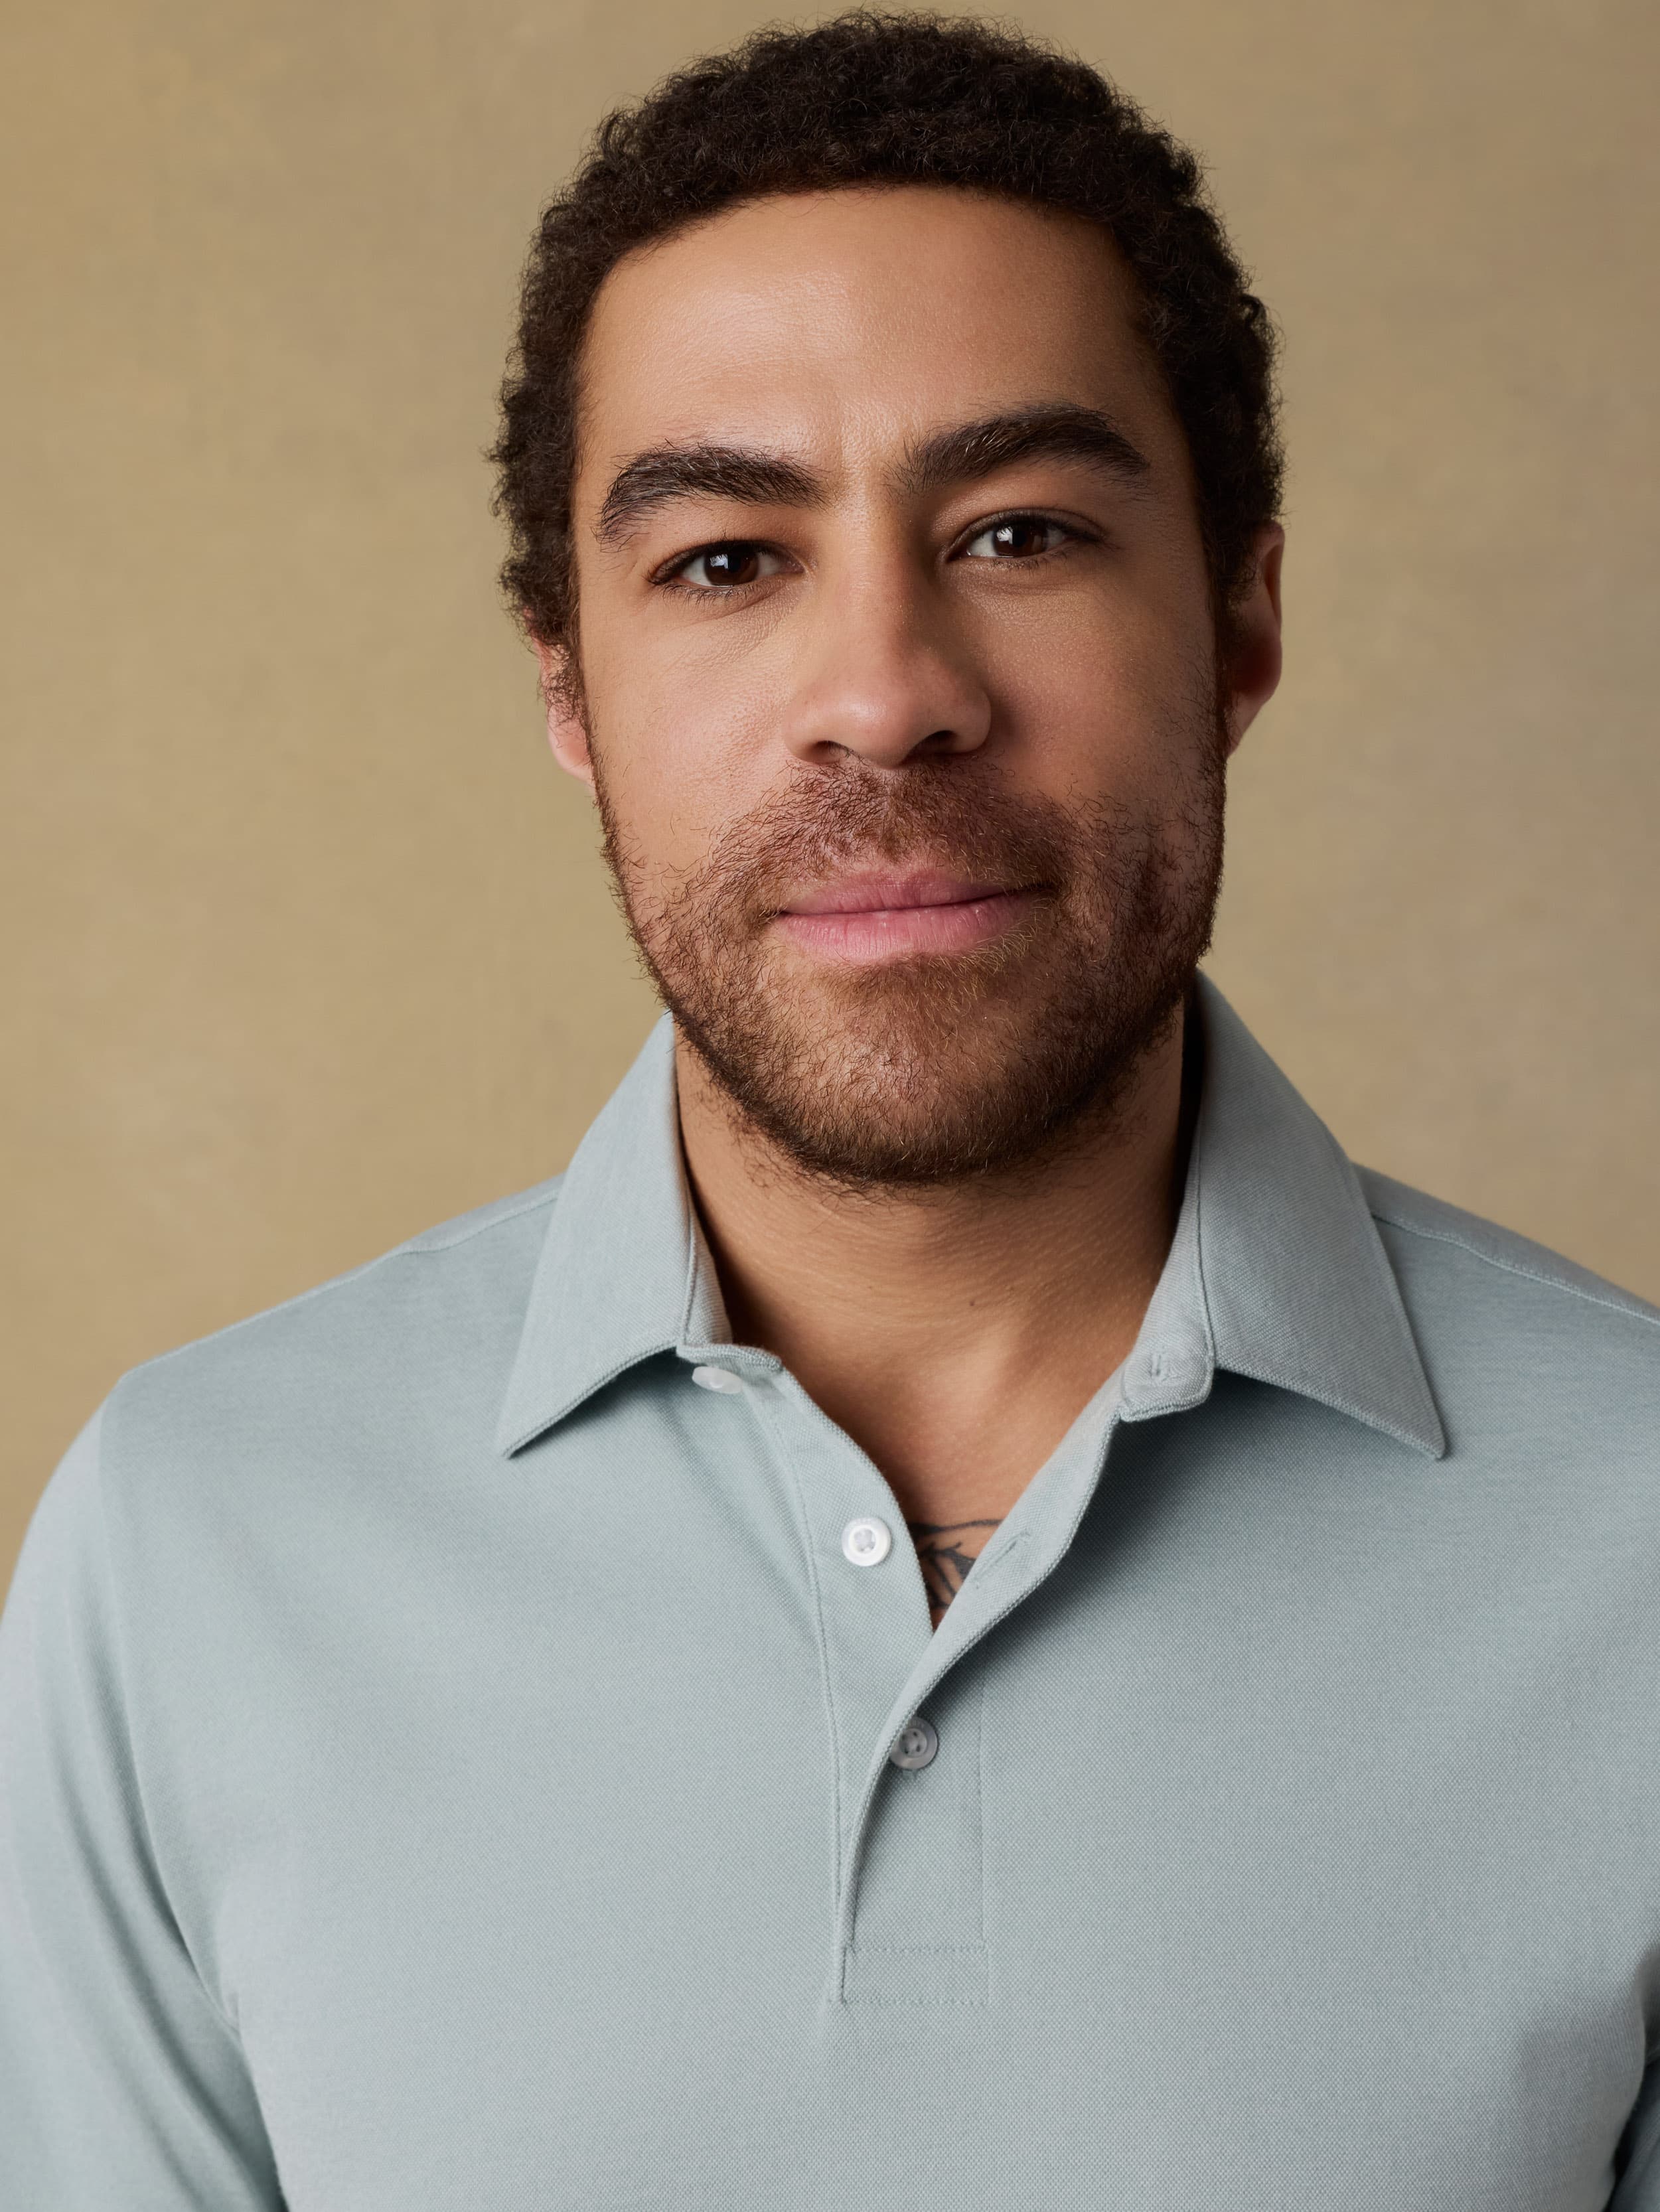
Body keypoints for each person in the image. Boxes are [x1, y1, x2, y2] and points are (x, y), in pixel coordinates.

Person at [4, 11, 1659, 2205]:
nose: (886, 693)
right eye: (723, 561)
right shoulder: (195, 1551)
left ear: (1243, 621)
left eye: (1020, 531)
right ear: (569, 693)